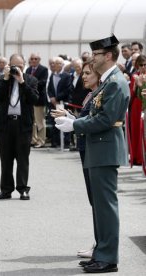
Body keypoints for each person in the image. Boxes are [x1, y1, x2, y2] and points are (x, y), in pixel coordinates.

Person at [55, 34, 129, 273]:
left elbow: (106, 119)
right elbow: (98, 114)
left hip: (105, 147)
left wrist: (75, 125)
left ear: (108, 56)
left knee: (106, 206)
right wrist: (74, 120)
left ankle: (108, 258)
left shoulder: (116, 82)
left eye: (97, 54)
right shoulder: (109, 81)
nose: (93, 58)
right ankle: (101, 251)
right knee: (99, 206)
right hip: (99, 147)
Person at [51, 59, 100, 259]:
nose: (84, 77)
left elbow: (96, 122)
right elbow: (87, 120)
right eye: (83, 73)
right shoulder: (91, 94)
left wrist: (73, 122)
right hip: (85, 147)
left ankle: (101, 245)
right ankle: (99, 243)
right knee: (93, 200)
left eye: (88, 73)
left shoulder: (99, 94)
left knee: (98, 201)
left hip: (93, 149)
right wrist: (71, 117)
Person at [0, 54, 39, 200]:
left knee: (23, 158)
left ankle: (23, 189)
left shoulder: (31, 80)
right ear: (8, 66)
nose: (17, 69)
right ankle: (6, 189)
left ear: (24, 65)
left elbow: (35, 99)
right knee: (5, 159)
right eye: (14, 66)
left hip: (22, 124)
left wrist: (22, 82)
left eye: (20, 66)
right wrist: (6, 79)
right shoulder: (2, 79)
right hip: (5, 124)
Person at [26, 53, 48, 148]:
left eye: (36, 59)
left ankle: (41, 140)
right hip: (29, 98)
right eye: (32, 58)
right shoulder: (28, 69)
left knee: (40, 121)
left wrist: (32, 84)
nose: (34, 60)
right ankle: (33, 139)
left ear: (39, 60)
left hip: (39, 99)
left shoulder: (44, 69)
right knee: (32, 121)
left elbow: (43, 82)